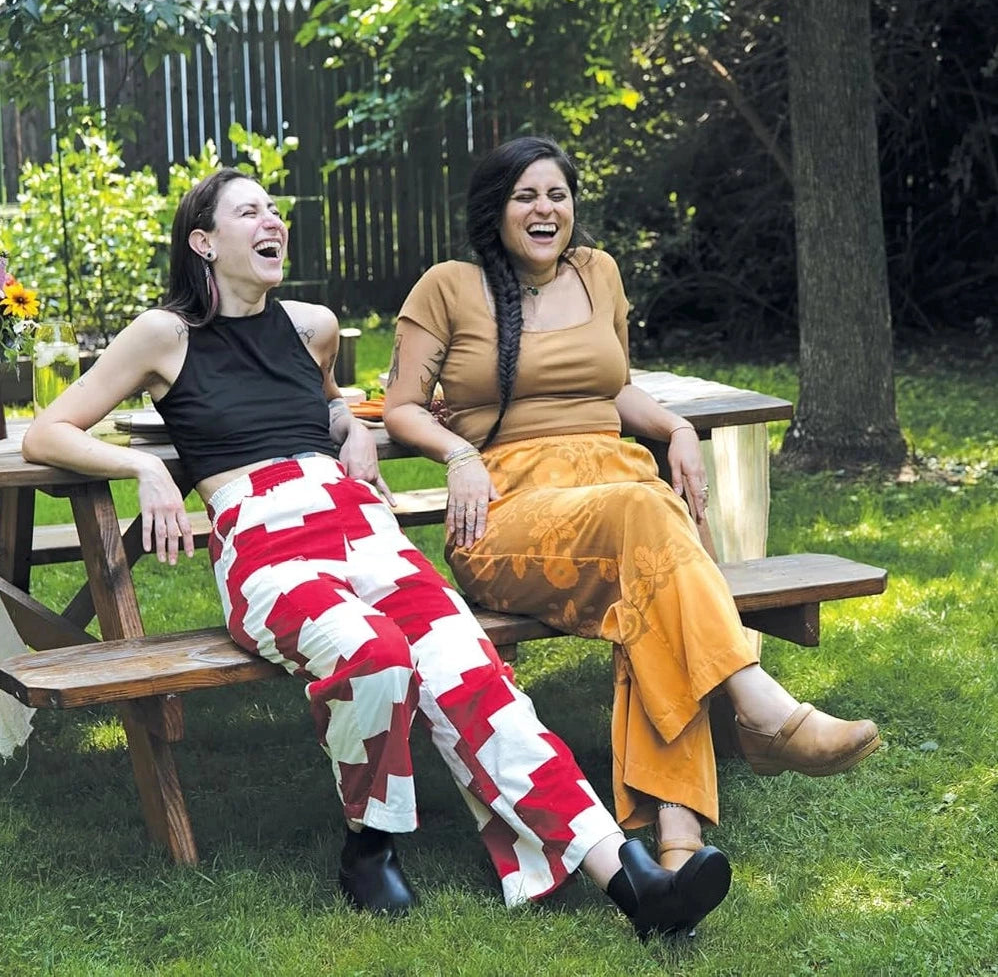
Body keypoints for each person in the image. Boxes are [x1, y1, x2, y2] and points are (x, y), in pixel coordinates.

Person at [21, 167, 732, 940]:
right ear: (203, 241)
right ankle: (371, 842)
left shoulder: (310, 324)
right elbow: (47, 429)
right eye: (248, 212)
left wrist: (347, 421)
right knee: (374, 654)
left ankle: (632, 880)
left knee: (475, 675)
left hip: (361, 523)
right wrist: (145, 466)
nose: (272, 222)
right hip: (263, 542)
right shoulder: (165, 334)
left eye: (274, 209)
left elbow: (321, 397)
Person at [382, 136, 882, 891]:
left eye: (557, 194)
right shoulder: (448, 287)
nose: (546, 209)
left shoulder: (599, 273)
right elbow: (399, 408)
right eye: (526, 195)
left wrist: (676, 426)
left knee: (648, 573)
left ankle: (678, 845)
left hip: (619, 494)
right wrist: (459, 455)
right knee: (648, 516)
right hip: (511, 506)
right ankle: (760, 707)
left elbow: (611, 386)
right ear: (496, 211)